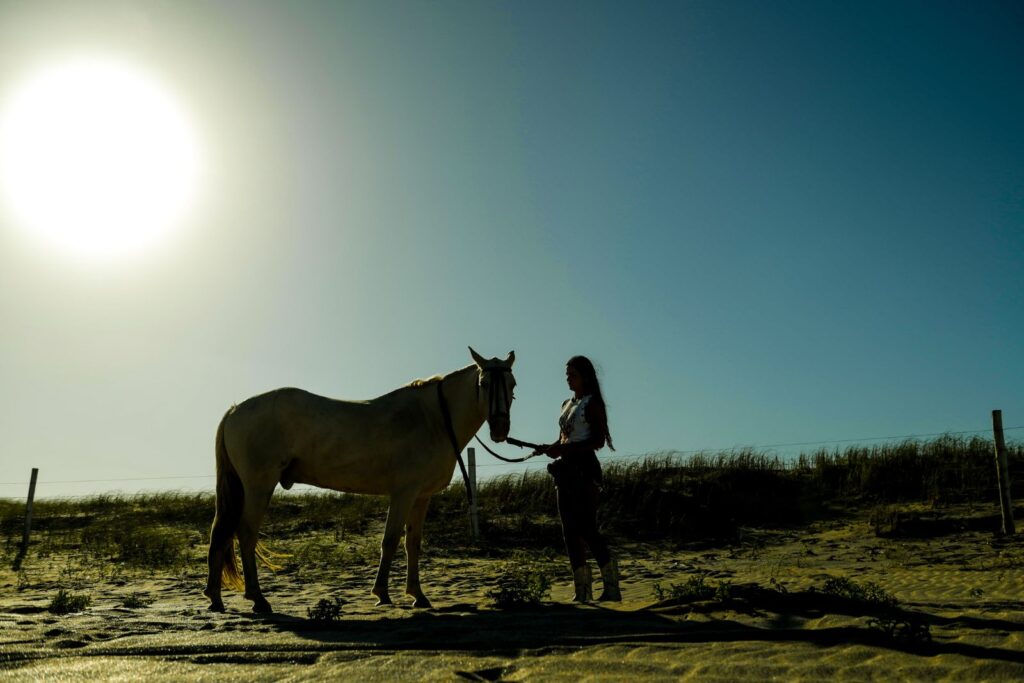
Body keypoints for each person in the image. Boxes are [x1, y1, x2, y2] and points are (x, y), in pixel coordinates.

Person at [533, 355, 620, 602]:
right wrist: (550, 447)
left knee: (587, 528)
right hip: (565, 470)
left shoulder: (592, 404)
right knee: (569, 531)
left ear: (585, 377)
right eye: (567, 375)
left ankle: (611, 586)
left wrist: (564, 449)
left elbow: (597, 441)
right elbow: (565, 438)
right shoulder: (567, 404)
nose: (568, 379)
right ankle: (582, 591)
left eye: (573, 375)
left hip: (584, 469)